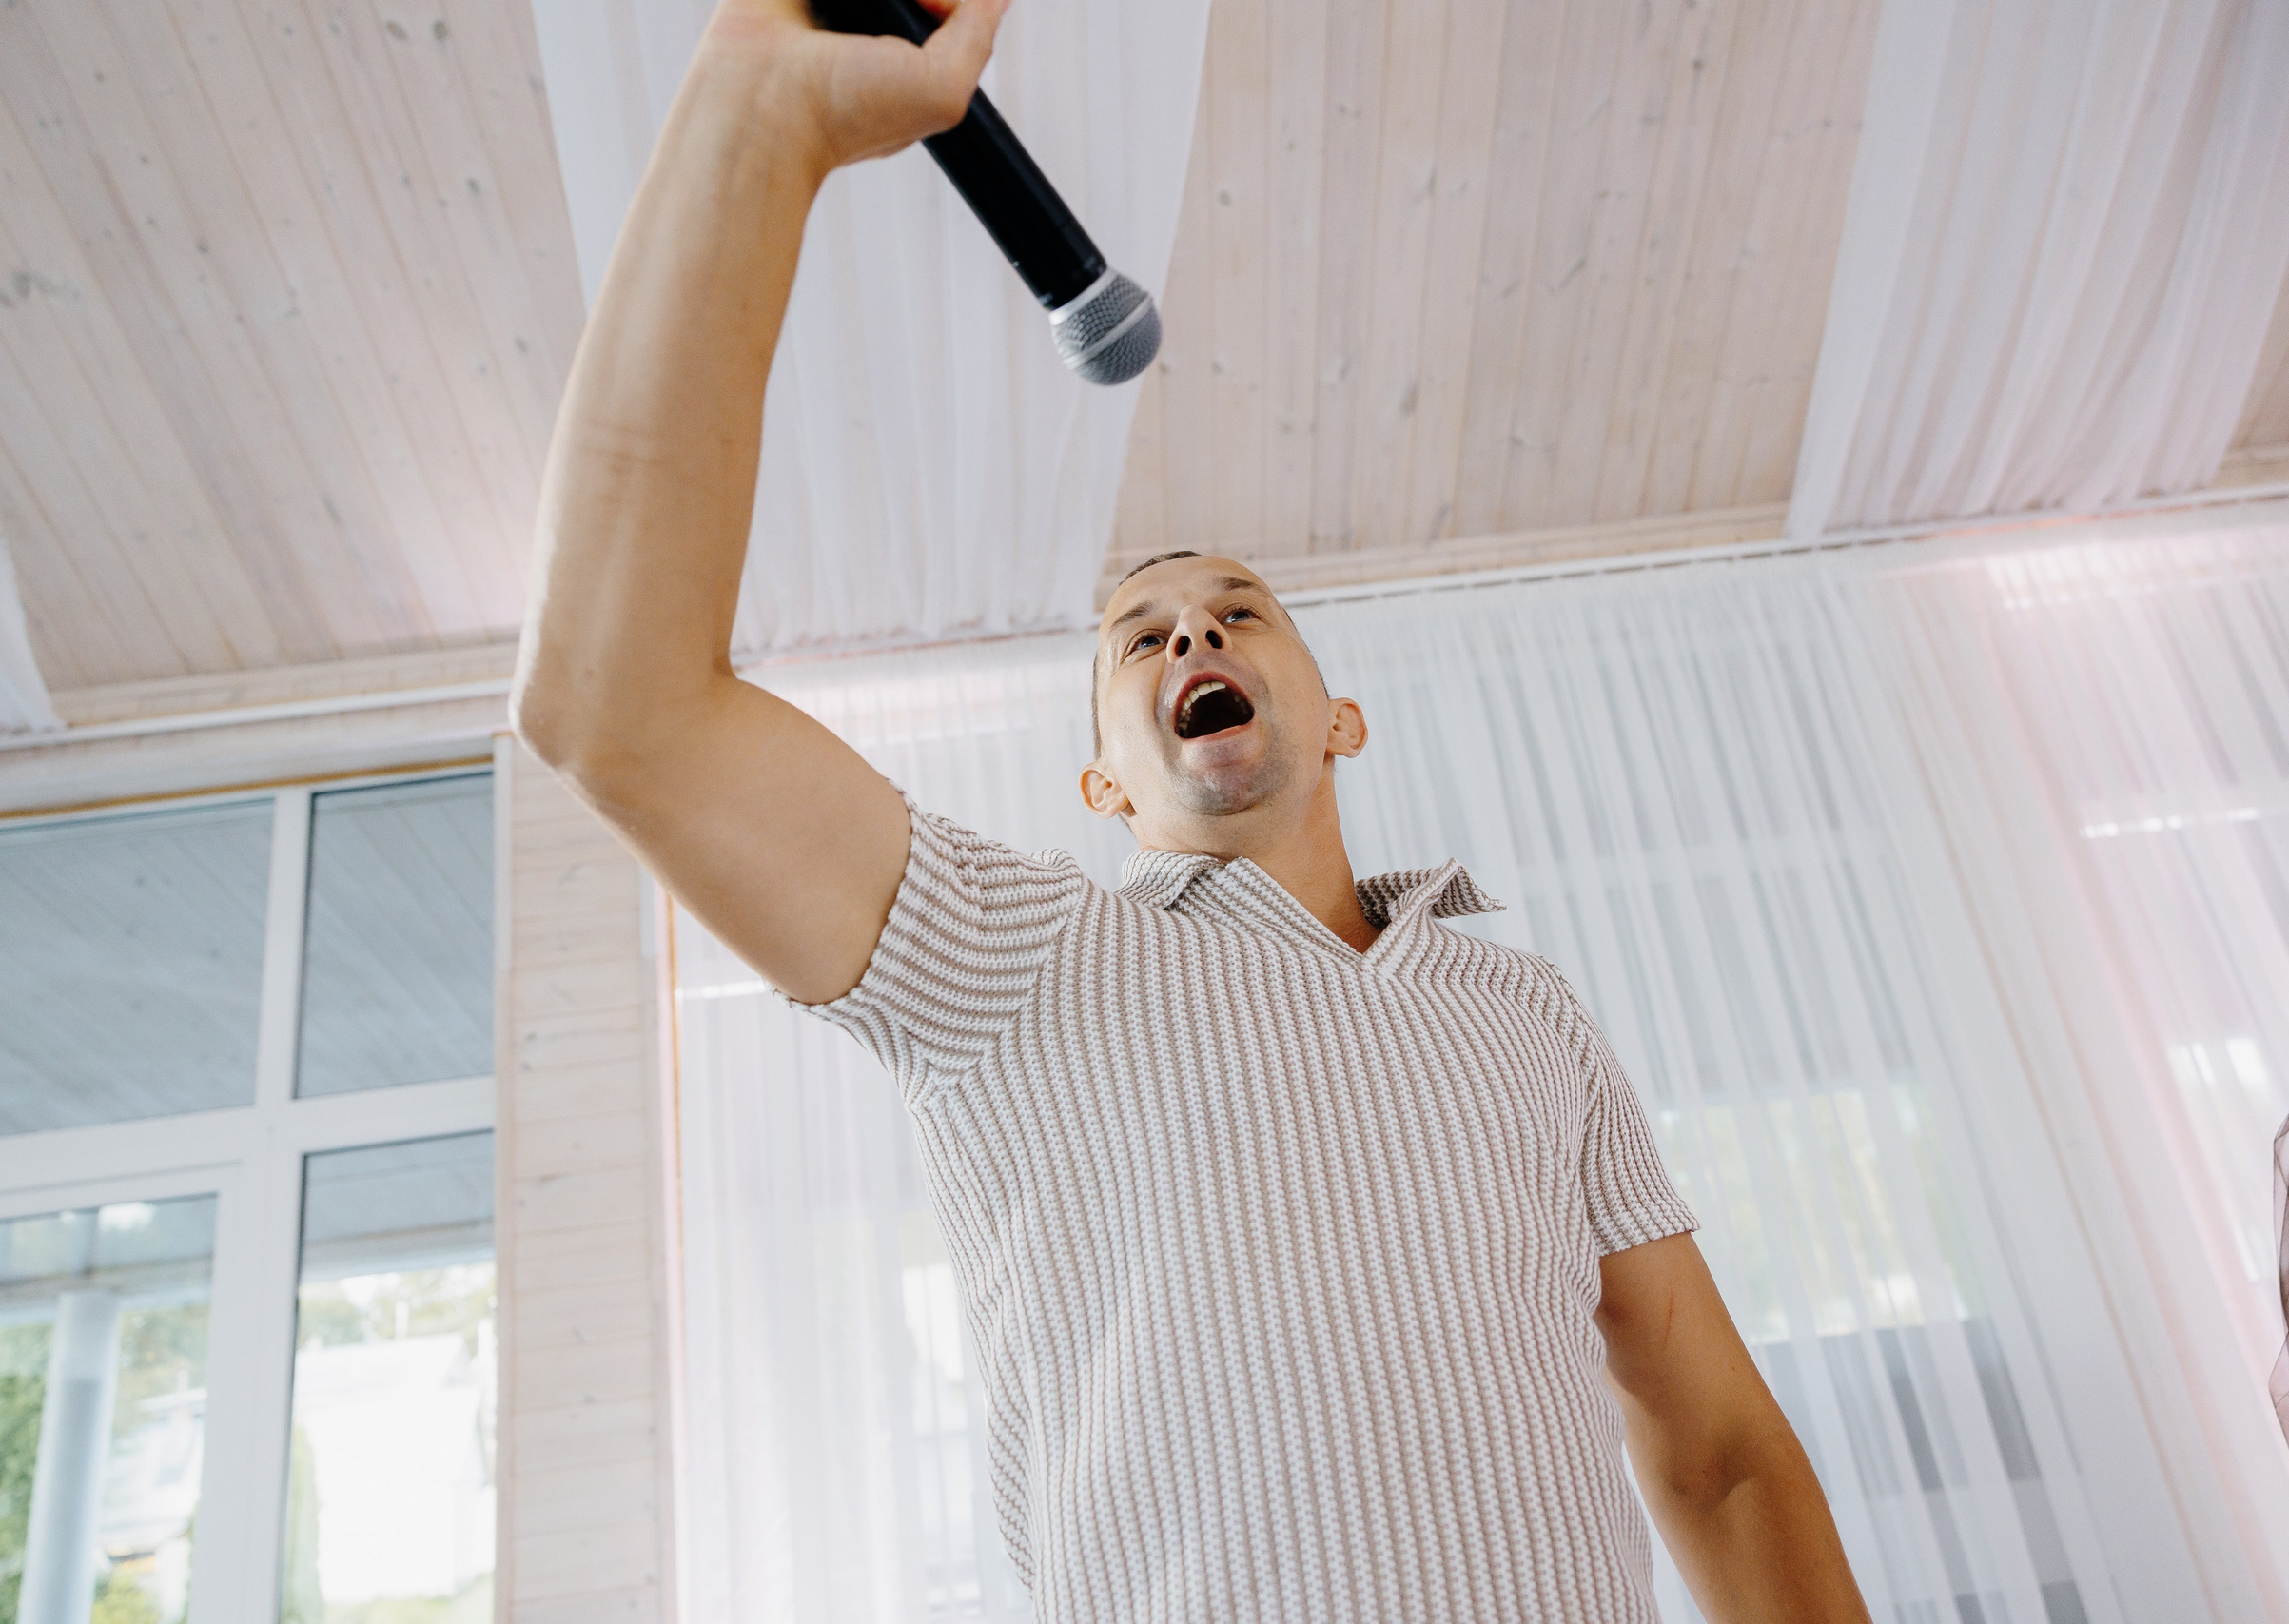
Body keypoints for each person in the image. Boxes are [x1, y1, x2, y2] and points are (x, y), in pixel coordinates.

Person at [511, 0, 1871, 1616]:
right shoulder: (1015, 964)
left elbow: (1717, 1454)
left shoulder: (1527, 1016)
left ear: (1340, 715)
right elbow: (618, 708)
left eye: (1238, 611)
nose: (1190, 634)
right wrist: (760, 109)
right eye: (1139, 638)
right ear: (1104, 784)